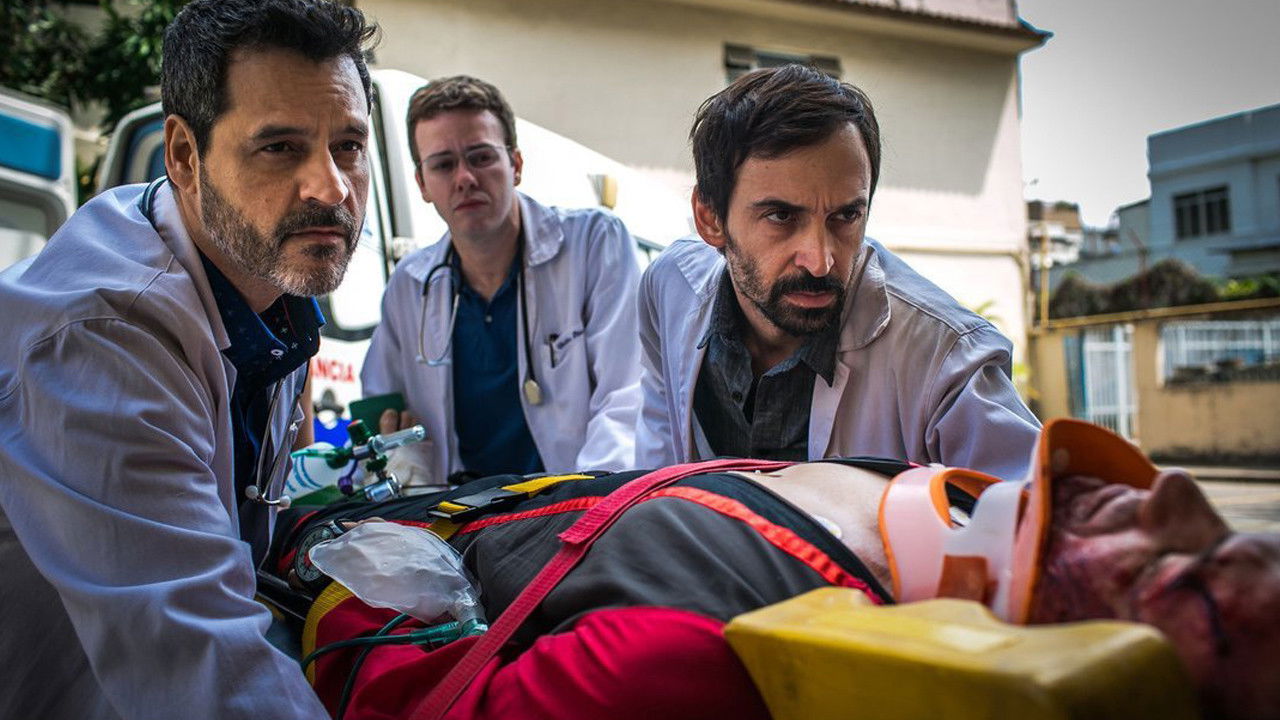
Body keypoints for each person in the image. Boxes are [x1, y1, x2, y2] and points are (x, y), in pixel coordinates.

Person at [269, 419, 1279, 720]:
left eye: (1186, 578)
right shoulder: (903, 498)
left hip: (330, 574)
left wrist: (355, 576)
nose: (1177, 491)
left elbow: (385, 696)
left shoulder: (691, 663)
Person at [0, 1, 378, 718]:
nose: (331, 187)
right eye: (280, 147)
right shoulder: (99, 338)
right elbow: (209, 673)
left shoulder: (264, 290)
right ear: (182, 156)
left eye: (349, 145)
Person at [635, 64, 1041, 479]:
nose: (821, 260)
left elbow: (1032, 505)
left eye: (846, 216)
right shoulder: (669, 287)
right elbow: (654, 463)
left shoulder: (946, 360)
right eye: (781, 216)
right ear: (710, 219)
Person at [360, 76, 643, 487]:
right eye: (443, 164)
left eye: (481, 157)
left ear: (516, 165)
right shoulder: (409, 285)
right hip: (458, 510)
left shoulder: (594, 244)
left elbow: (626, 396)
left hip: (575, 501)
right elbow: (382, 408)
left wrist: (586, 497)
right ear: (422, 184)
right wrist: (405, 469)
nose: (465, 178)